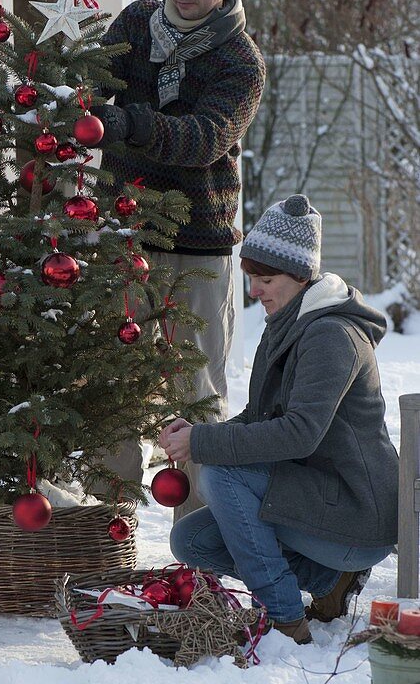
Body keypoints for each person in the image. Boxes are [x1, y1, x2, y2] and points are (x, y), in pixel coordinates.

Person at [159, 194, 398, 643]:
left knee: (223, 477)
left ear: (301, 276)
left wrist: (205, 443)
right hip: (313, 500)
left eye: (265, 279)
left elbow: (300, 434)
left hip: (355, 515)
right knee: (191, 542)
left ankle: (285, 620)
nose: (253, 291)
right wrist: (195, 433)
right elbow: (258, 416)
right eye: (251, 278)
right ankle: (329, 583)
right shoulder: (287, 323)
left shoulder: (331, 336)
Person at [90, 0, 266, 498]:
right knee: (112, 388)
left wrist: (122, 125)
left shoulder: (240, 59)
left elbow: (204, 138)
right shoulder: (136, 24)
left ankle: (200, 546)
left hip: (197, 245)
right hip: (122, 237)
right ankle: (107, 536)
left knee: (195, 396)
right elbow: (91, 81)